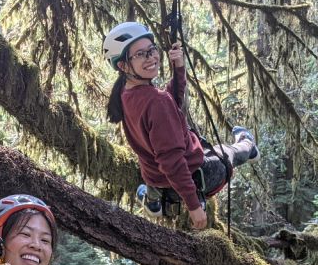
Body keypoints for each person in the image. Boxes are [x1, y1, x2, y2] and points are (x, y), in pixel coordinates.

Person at [103, 22, 259, 230]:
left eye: (152, 50)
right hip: (192, 176)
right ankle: (249, 144)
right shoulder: (156, 101)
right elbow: (172, 161)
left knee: (154, 166)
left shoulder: (125, 92)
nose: (151, 58)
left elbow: (169, 108)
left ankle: (152, 200)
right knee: (228, 153)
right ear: (123, 66)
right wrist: (193, 205)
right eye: (140, 54)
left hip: (155, 178)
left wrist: (179, 69)